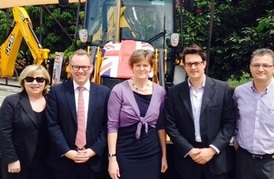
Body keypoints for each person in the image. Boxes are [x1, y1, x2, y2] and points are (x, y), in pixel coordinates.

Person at [165, 45, 236, 179]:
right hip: (187, 160)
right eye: (189, 64)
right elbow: (170, 125)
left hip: (216, 159)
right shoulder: (174, 92)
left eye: (197, 63)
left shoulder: (222, 89)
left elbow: (229, 123)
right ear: (184, 66)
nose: (193, 67)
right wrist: (189, 150)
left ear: (204, 64)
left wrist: (212, 150)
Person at [233, 48, 274, 179]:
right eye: (256, 65)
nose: (260, 69)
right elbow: (234, 118)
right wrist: (235, 137)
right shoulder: (240, 92)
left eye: (266, 65)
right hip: (243, 159)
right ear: (250, 67)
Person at [46, 49, 111, 179]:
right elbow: (52, 124)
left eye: (84, 67)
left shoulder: (105, 93)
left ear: (91, 68)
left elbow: (108, 125)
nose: (80, 71)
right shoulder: (56, 92)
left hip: (94, 162)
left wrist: (93, 150)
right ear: (69, 68)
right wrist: (67, 151)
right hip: (64, 162)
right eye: (76, 67)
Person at [107, 49, 168, 179]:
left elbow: (161, 126)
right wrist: (112, 159)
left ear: (151, 67)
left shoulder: (160, 92)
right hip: (125, 153)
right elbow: (112, 125)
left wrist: (164, 156)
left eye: (145, 65)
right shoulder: (119, 90)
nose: (142, 69)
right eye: (138, 65)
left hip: (151, 154)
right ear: (132, 67)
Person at [0, 64, 52, 179]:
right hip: (18, 162)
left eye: (40, 79)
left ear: (46, 82)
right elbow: (4, 133)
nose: (35, 83)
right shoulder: (11, 102)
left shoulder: (52, 101)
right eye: (29, 79)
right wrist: (11, 159)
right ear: (23, 82)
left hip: (45, 162)